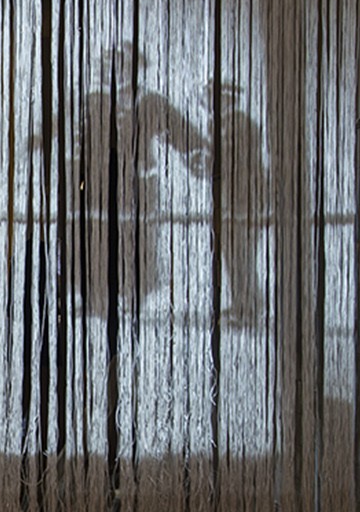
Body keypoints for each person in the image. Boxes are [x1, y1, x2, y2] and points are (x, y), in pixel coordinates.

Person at [41, 44, 205, 318]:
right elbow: (65, 131)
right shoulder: (92, 101)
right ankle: (95, 297)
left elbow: (181, 133)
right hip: (96, 188)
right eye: (109, 66)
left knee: (133, 241)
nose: (114, 72)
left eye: (122, 66)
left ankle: (130, 297)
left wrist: (197, 153)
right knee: (95, 240)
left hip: (136, 187)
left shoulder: (150, 102)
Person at [209, 79, 268, 327]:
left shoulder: (239, 124)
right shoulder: (227, 124)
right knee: (236, 259)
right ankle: (243, 304)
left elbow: (241, 166)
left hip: (243, 204)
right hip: (235, 203)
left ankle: (248, 308)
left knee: (241, 258)